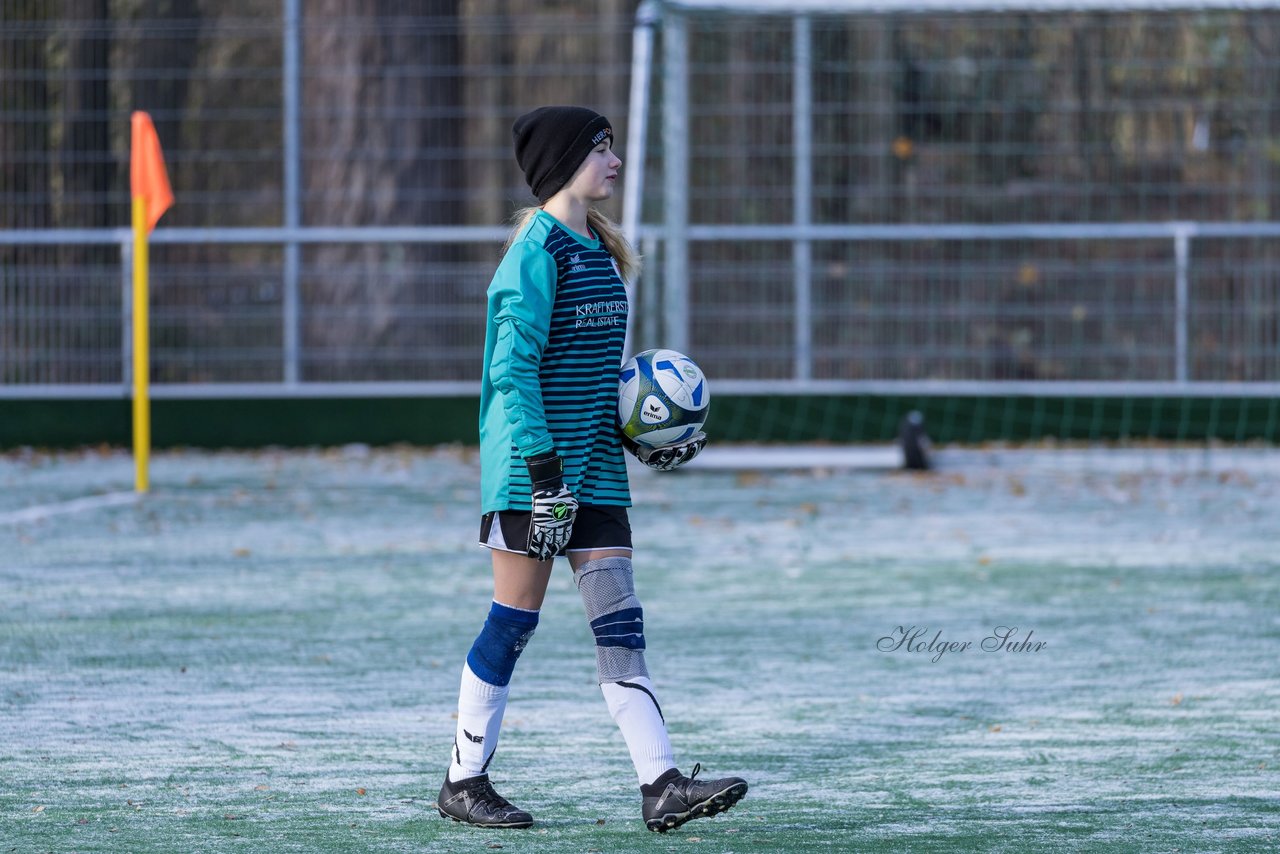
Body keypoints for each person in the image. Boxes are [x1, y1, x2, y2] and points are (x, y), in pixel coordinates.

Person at [436, 106, 748, 833]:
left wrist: (640, 431)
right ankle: (463, 780)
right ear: (565, 163)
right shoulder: (534, 253)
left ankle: (661, 784)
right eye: (601, 149)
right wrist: (546, 475)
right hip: (532, 474)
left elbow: (588, 375)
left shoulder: (600, 251)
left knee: (621, 628)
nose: (613, 160)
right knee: (513, 622)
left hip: (599, 472)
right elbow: (512, 375)